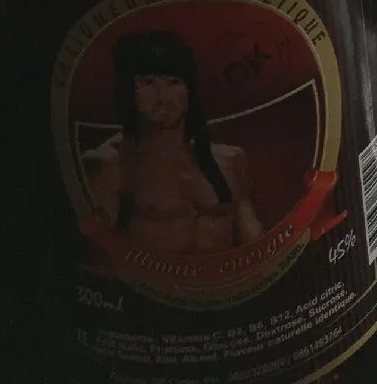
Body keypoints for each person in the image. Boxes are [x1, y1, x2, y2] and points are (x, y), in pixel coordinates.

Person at [83, 28, 262, 254]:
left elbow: (254, 241)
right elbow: (97, 256)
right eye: (149, 83)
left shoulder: (231, 159)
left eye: (173, 82)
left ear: (188, 90)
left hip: (228, 276)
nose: (163, 97)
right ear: (130, 92)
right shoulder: (110, 165)